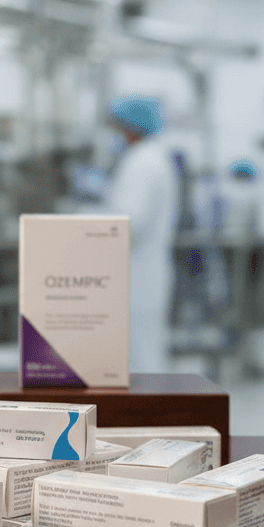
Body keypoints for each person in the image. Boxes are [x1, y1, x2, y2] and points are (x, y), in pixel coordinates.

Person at [103, 96, 176, 373]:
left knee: (140, 358)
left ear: (130, 128)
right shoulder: (152, 158)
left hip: (137, 275)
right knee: (143, 353)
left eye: (117, 127)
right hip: (144, 273)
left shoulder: (142, 162)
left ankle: (148, 414)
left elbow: (129, 224)